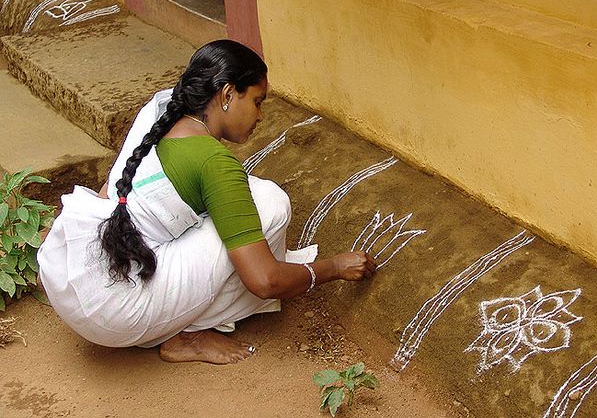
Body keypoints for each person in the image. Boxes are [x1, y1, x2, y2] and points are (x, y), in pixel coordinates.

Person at [38, 40, 376, 364]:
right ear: (228, 95)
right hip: (113, 311)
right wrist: (334, 267)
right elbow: (265, 281)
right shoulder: (214, 162)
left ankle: (165, 316)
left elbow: (108, 193)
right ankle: (187, 334)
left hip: (71, 282)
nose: (260, 115)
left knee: (238, 205)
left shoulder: (160, 114)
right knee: (270, 205)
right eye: (258, 101)